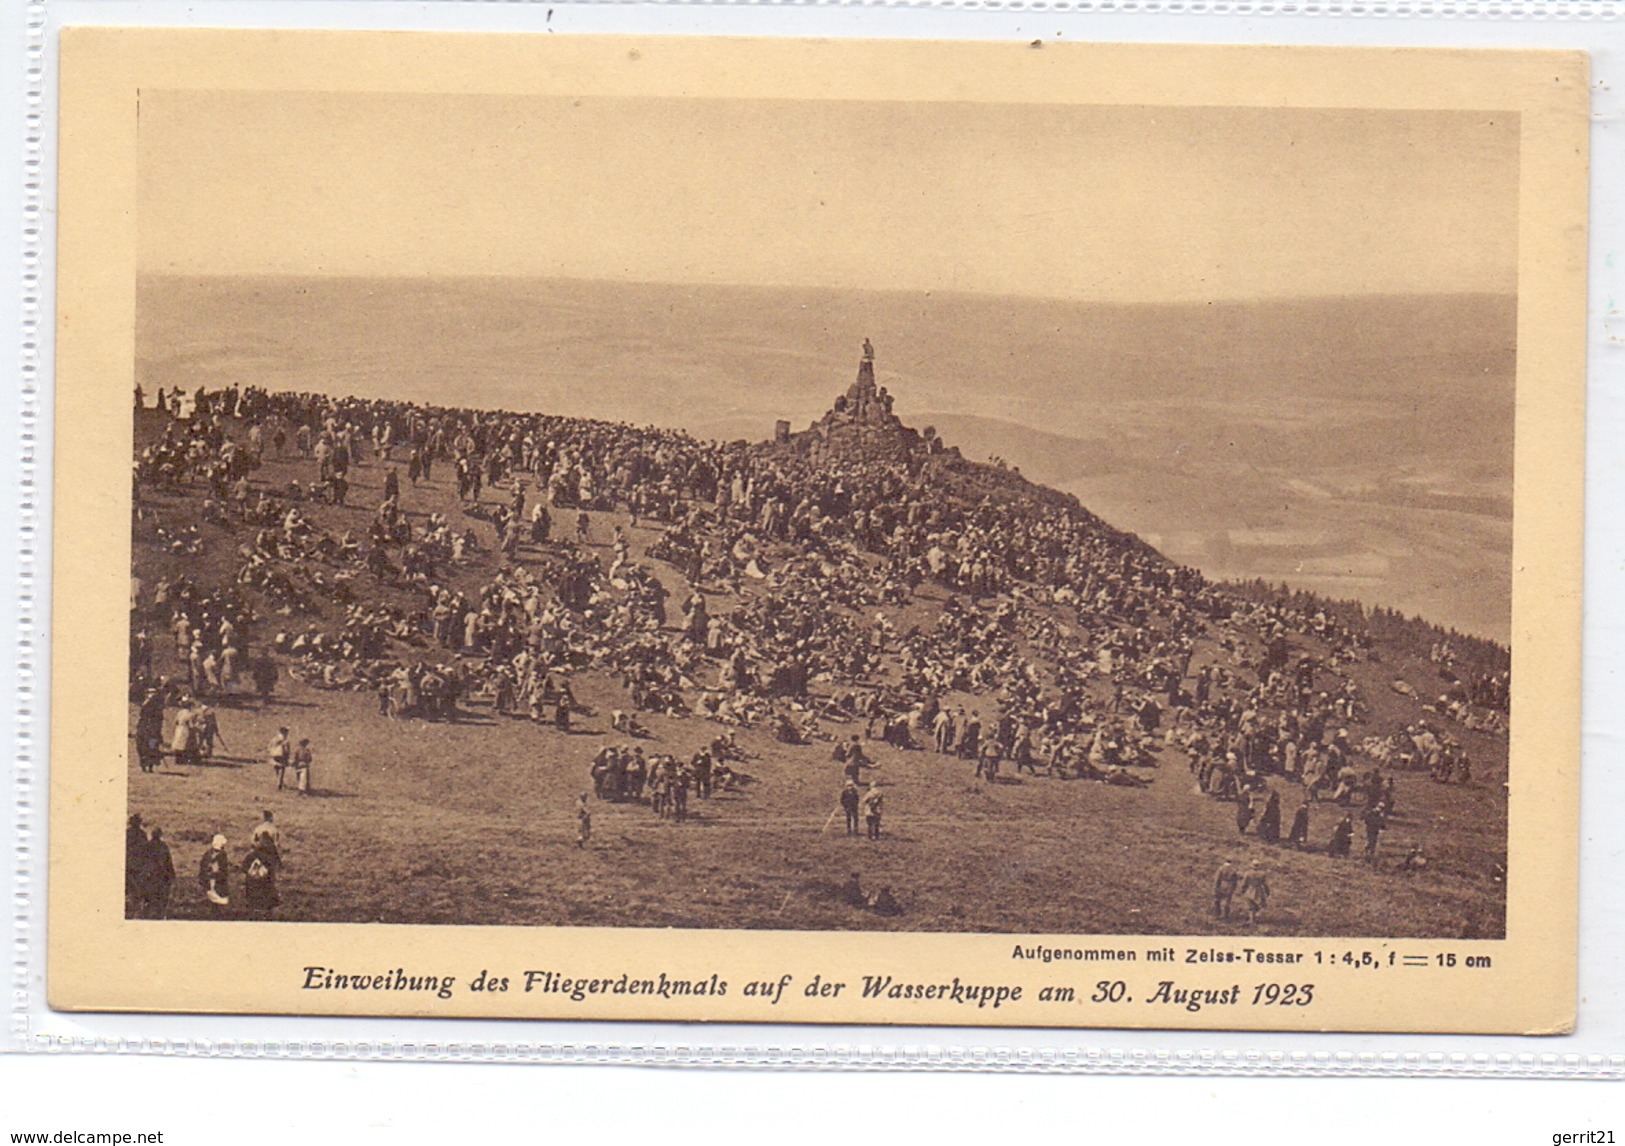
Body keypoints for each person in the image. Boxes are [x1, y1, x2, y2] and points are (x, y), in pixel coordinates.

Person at [240, 834, 280, 919]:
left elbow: (243, 869)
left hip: (252, 884)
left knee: (253, 901)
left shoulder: (250, 856)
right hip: (265, 885)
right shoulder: (268, 858)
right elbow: (272, 872)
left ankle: (253, 914)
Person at [144, 827, 175, 919]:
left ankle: (150, 914)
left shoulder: (147, 846)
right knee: (161, 898)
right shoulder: (163, 846)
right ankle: (159, 915)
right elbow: (168, 862)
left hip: (150, 876)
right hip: (161, 875)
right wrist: (171, 875)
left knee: (150, 898)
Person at [199, 834, 231, 915]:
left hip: (209, 879)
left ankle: (214, 911)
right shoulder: (223, 854)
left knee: (213, 895)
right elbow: (224, 869)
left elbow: (203, 866)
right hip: (218, 879)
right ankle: (219, 913)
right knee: (220, 897)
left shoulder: (208, 854)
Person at [1238, 860, 1270, 925]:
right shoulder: (1262, 874)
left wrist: (1242, 891)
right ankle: (1254, 918)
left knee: (1251, 905)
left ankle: (1252, 920)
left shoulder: (1248, 873)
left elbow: (1244, 883)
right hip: (1259, 890)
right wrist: (1267, 892)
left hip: (1250, 890)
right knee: (1259, 904)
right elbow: (1265, 884)